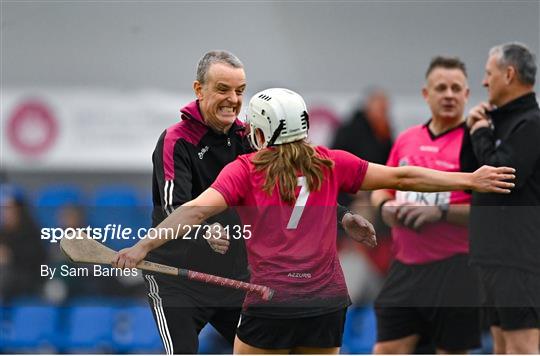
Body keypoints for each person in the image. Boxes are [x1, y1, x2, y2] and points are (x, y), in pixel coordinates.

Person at [114, 88, 515, 354]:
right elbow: (402, 176)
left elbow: (194, 210)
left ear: (260, 131)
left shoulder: (245, 169)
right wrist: (470, 178)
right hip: (326, 303)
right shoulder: (330, 161)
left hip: (271, 304)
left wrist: (143, 246)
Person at [143, 50, 376, 354]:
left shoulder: (251, 136)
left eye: (239, 91)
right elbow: (174, 209)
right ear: (199, 90)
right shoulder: (176, 140)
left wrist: (342, 215)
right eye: (222, 89)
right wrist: (204, 232)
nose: (232, 99)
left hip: (234, 277)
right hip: (178, 279)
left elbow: (294, 192)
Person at [371, 56, 482, 354]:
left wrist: (440, 212)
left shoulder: (476, 145)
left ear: (467, 95)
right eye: (441, 87)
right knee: (386, 350)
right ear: (426, 94)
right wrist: (385, 209)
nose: (449, 94)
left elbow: (493, 215)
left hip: (456, 272)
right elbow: (381, 187)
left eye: (456, 88)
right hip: (405, 269)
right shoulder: (407, 139)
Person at [462, 42, 540, 354]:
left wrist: (481, 132)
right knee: (501, 347)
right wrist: (475, 130)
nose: (483, 82)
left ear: (509, 75)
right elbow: (471, 180)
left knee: (522, 347)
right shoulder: (497, 122)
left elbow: (499, 177)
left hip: (518, 259)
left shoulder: (531, 123)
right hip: (491, 256)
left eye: (488, 73)